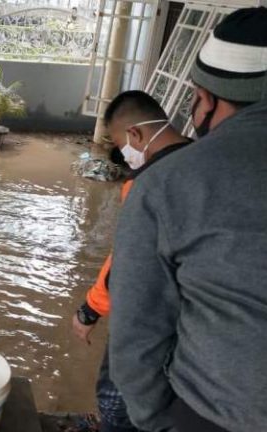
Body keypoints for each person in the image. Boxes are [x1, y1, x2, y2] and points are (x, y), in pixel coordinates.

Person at [109, 8, 267, 432]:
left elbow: (134, 338)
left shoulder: (166, 184)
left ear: (205, 99)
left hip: (212, 415)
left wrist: (156, 419)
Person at [71, 91, 189, 432]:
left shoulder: (145, 184)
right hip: (190, 312)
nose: (124, 154)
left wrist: (89, 309)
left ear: (135, 135)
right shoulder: (202, 161)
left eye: (121, 144)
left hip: (148, 310)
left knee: (119, 392)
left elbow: (126, 259)